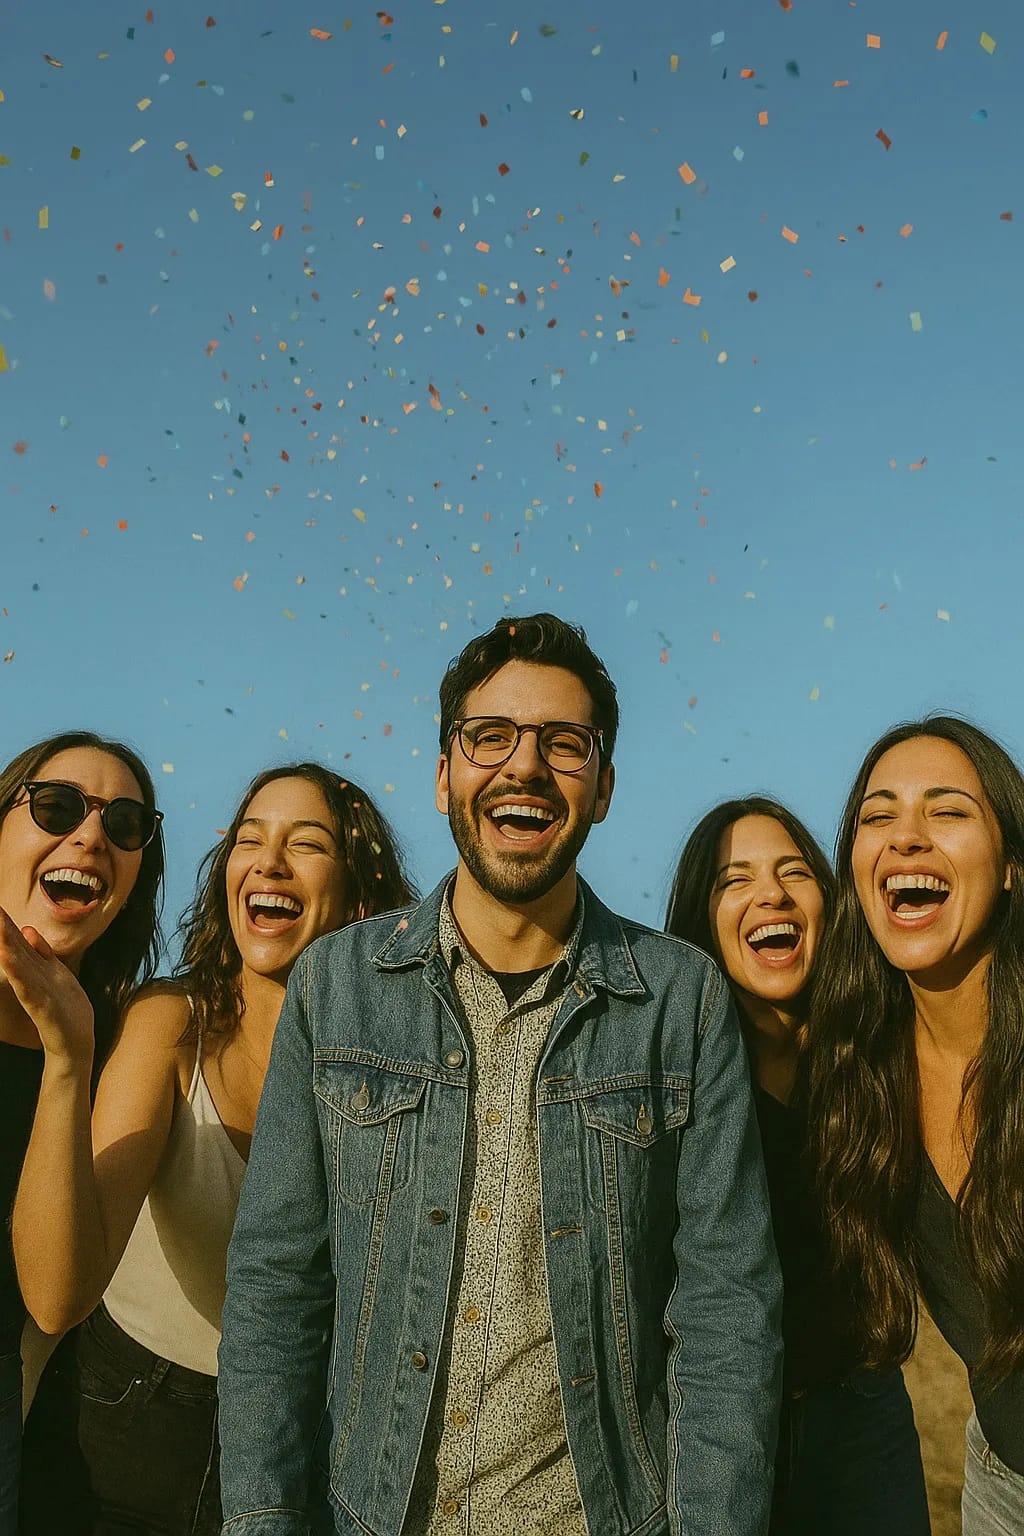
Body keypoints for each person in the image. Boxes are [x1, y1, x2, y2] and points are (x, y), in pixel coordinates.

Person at [218, 613, 783, 1536]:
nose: (524, 766)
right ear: (445, 773)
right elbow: (276, 1291)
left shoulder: (681, 1001)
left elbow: (727, 1314)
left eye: (563, 743)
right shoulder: (335, 986)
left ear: (604, 787)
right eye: (491, 736)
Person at [12, 763, 415, 1535]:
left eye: (307, 844)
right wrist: (68, 1059)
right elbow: (59, 1294)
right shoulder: (172, 1023)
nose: (269, 863)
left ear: (361, 900)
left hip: (305, 1447)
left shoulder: (404, 1073)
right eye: (249, 841)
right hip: (117, 1424)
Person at [665, 797, 929, 1534]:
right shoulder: (671, 1079)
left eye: (793, 872)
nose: (771, 895)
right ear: (700, 919)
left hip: (862, 1417)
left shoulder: (878, 1053)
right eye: (735, 880)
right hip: (711, 1431)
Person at [807, 717, 1024, 1534]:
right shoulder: (857, 1071)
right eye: (878, 816)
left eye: (947, 811)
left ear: (1012, 865)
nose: (906, 836)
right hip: (1002, 1481)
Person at [0, 731, 164, 1534]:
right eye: (57, 806)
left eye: (125, 825)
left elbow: (57, 1299)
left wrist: (69, 1056)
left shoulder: (119, 1051)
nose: (93, 836)